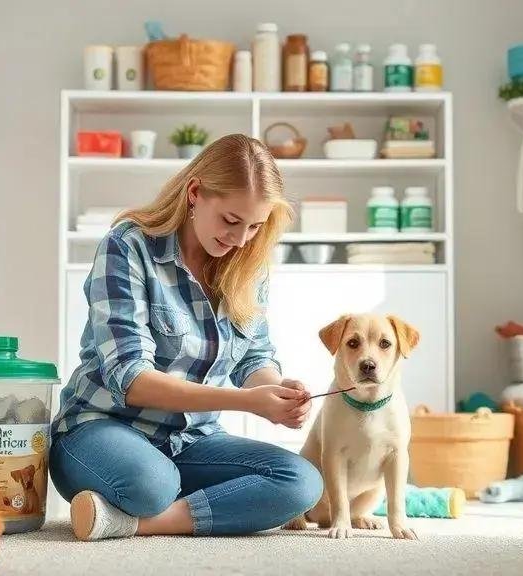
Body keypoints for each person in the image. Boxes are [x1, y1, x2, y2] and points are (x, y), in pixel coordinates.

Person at [49, 134, 322, 541]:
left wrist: (277, 392)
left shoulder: (248, 261)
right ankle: (178, 501)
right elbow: (131, 379)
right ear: (195, 193)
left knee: (301, 482)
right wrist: (245, 403)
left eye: (255, 226)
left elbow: (253, 357)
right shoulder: (127, 247)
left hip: (193, 440)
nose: (241, 239)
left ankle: (138, 523)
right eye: (231, 221)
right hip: (102, 428)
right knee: (150, 484)